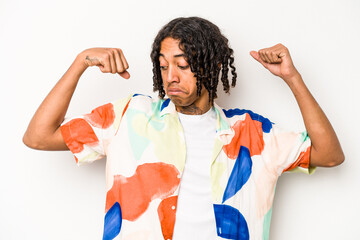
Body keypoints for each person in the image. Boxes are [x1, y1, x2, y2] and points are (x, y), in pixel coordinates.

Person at [23, 17, 344, 240]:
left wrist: (292, 78)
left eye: (182, 65)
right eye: (163, 66)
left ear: (214, 64)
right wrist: (81, 62)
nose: (170, 76)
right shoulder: (129, 116)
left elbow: (329, 155)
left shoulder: (251, 131)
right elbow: (38, 136)